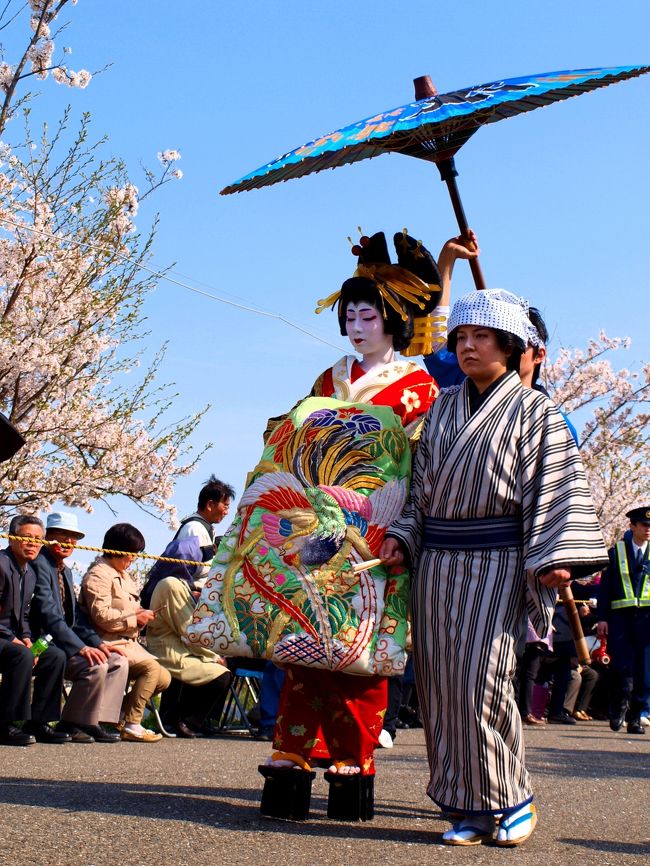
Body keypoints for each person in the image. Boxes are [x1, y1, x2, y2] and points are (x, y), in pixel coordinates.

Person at [188, 228, 474, 820]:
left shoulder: (420, 386)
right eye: (349, 314)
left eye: (368, 314)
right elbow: (296, 445)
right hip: (310, 525)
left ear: (392, 320)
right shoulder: (328, 380)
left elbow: (419, 465)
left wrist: (404, 531)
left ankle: (352, 756)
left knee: (355, 651)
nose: (356, 324)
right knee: (299, 643)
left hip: (374, 529)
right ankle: (290, 751)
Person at [381, 288, 608, 846]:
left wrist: (556, 557)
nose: (468, 346)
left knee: (484, 678)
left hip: (499, 561)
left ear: (510, 346)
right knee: (440, 683)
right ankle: (465, 803)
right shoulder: (441, 412)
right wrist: (404, 537)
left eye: (481, 337)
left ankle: (510, 796)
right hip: (438, 562)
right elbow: (418, 494)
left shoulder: (539, 413)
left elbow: (555, 488)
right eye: (461, 337)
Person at [31, 512, 129, 743]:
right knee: (94, 665)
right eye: (62, 535)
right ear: (48, 536)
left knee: (117, 660)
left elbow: (75, 618)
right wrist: (80, 648)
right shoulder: (39, 564)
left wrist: (97, 643)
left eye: (73, 537)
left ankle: (91, 721)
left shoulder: (66, 570)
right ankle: (75, 722)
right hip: (42, 641)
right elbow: (48, 614)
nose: (68, 542)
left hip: (65, 641)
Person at [80, 523, 171, 743]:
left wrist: (141, 614)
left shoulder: (124, 574)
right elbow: (100, 616)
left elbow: (127, 607)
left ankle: (118, 713)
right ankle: (132, 724)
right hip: (106, 640)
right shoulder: (98, 575)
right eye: (130, 554)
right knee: (151, 669)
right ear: (117, 549)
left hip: (127, 640)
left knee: (164, 678)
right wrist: (134, 619)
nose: (132, 560)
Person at [0, 515, 70, 745]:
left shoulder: (29, 572)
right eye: (26, 538)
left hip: (14, 639)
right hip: (3, 638)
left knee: (55, 655)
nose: (33, 543)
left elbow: (25, 615)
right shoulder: (1, 564)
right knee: (20, 654)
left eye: (38, 539)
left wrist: (28, 637)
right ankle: (6, 724)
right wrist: (13, 639)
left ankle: (39, 721)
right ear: (11, 538)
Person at [145, 575, 231, 738]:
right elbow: (188, 630)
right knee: (221, 675)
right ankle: (184, 719)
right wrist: (213, 655)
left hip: (181, 648)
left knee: (222, 667)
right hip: (168, 650)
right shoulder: (171, 585)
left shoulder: (175, 585)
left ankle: (196, 719)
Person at [597, 505, 650, 735]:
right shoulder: (616, 552)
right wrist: (602, 618)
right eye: (644, 525)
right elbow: (605, 588)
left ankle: (635, 717)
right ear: (633, 526)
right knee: (621, 669)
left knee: (645, 673)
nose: (648, 530)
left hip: (647, 621)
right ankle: (618, 706)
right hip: (621, 620)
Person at [175, 476, 235, 588]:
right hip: (190, 594)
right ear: (210, 505)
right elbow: (184, 570)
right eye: (225, 507)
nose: (226, 512)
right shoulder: (194, 528)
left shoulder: (204, 528)